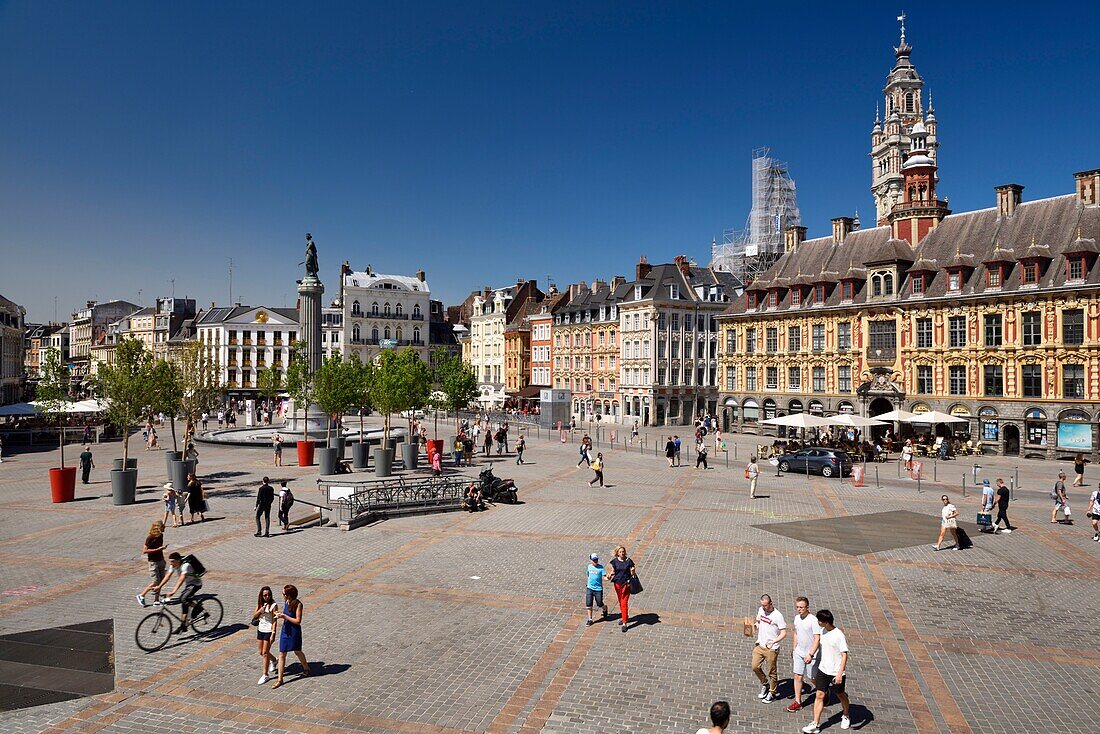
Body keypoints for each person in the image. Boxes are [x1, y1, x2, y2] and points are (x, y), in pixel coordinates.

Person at [801, 609, 851, 733]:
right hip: (823, 670)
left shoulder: (839, 635)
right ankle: (815, 724)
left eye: (820, 620)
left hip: (835, 672)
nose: (818, 622)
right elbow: (818, 643)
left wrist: (840, 674)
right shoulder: (823, 631)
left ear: (826, 622)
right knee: (819, 695)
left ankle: (846, 714)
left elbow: (844, 655)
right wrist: (810, 655)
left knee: (840, 694)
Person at [787, 596, 822, 713]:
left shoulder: (813, 621)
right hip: (799, 652)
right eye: (797, 607)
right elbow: (796, 633)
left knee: (812, 677)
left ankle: (823, 691)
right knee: (797, 676)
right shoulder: (797, 618)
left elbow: (817, 639)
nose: (799, 609)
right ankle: (798, 701)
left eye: (801, 607)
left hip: (811, 654)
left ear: (807, 607)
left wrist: (810, 654)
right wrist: (794, 649)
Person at [271, 584, 309, 689]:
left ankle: (306, 668)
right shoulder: (286, 602)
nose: (282, 595)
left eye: (283, 593)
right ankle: (280, 679)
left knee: (297, 651)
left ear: (288, 595)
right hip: (285, 630)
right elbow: (285, 614)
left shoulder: (298, 604)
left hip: (294, 631)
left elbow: (298, 621)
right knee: (282, 653)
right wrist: (280, 615)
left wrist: (285, 616)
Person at [751, 593, 787, 703]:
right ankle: (765, 684)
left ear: (770, 603)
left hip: (772, 648)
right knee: (755, 666)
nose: (763, 607)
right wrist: (753, 627)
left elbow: (784, 632)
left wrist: (774, 641)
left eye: (765, 605)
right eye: (762, 605)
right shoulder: (761, 610)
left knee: (772, 671)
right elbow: (758, 622)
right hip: (760, 645)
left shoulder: (777, 615)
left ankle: (772, 692)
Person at [156, 552, 203, 633]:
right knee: (184, 603)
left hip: (196, 583)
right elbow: (167, 576)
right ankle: (183, 626)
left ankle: (198, 607)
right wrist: (159, 586)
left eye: (173, 561)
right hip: (189, 584)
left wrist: (173, 591)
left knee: (183, 598)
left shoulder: (186, 565)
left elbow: (181, 578)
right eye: (170, 561)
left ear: (178, 560)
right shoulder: (173, 565)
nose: (171, 564)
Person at [252, 586, 280, 684]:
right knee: (261, 652)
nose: (267, 597)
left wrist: (273, 633)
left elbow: (275, 620)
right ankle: (274, 660)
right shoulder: (260, 604)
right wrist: (260, 611)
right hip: (260, 629)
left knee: (265, 653)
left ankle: (265, 674)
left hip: (269, 630)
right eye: (265, 595)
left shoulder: (274, 605)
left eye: (269, 595)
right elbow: (254, 615)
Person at [136, 521, 167, 606]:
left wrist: (162, 556)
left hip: (161, 560)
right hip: (153, 562)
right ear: (158, 527)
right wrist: (159, 549)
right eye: (163, 527)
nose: (164, 528)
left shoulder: (161, 536)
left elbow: (160, 547)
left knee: (160, 581)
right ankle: (141, 595)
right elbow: (145, 551)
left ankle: (156, 600)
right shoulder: (150, 537)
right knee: (156, 581)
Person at [608, 545, 636, 633]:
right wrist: (609, 575)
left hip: (626, 585)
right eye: (620, 552)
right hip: (617, 584)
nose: (622, 553)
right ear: (617, 553)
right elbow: (613, 571)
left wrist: (633, 571)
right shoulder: (615, 562)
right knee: (620, 601)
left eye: (623, 551)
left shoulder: (629, 561)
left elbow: (633, 574)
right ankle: (625, 616)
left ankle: (624, 623)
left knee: (624, 602)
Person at [584, 553, 609, 626]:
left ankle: (605, 608)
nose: (595, 561)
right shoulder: (589, 567)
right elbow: (588, 574)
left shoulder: (601, 568)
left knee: (599, 603)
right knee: (589, 604)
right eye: (594, 560)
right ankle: (590, 619)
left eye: (596, 560)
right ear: (591, 560)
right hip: (589, 588)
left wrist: (607, 578)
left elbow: (604, 577)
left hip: (598, 589)